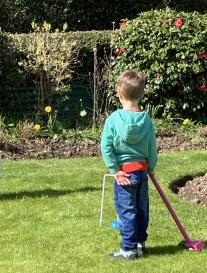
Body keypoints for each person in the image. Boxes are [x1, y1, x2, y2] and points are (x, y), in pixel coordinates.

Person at [100, 70, 157, 260]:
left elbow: (106, 147)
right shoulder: (146, 120)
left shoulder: (114, 119)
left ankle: (128, 249)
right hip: (141, 173)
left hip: (124, 174)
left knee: (126, 212)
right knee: (141, 210)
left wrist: (114, 170)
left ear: (120, 94)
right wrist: (151, 166)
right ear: (142, 94)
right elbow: (151, 146)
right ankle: (140, 243)